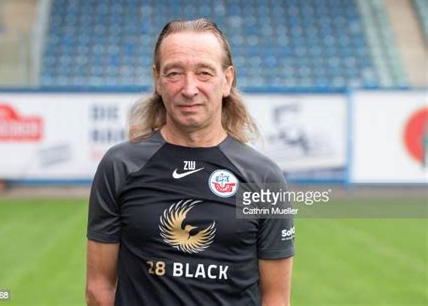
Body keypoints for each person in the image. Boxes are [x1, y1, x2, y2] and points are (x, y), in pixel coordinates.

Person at [86, 18, 294, 306]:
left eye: (204, 73)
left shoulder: (264, 177)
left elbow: (276, 298)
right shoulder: (120, 166)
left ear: (227, 80)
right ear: (157, 80)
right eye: (174, 73)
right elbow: (98, 288)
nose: (189, 88)